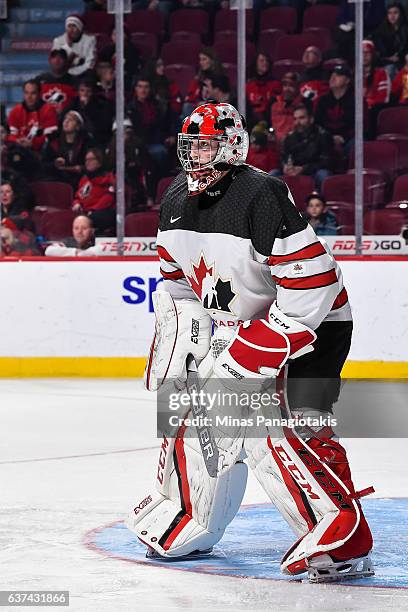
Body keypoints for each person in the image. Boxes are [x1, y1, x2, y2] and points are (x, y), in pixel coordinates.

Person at [127, 102, 374, 584]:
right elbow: (178, 286)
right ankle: (189, 513)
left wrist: (257, 351)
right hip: (248, 327)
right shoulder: (174, 199)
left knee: (276, 428)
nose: (196, 155)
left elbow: (315, 285)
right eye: (190, 145)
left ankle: (340, 528)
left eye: (207, 145)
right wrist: (178, 346)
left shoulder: (260, 195)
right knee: (195, 407)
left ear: (233, 147)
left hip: (316, 327)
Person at [278, 104, 334, 189]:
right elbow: (284, 157)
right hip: (294, 171)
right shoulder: (289, 138)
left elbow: (327, 161)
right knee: (272, 174)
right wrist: (285, 166)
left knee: (323, 174)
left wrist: (304, 169)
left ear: (311, 119)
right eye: (295, 119)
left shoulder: (323, 136)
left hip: (313, 172)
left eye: (301, 118)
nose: (297, 122)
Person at [41, 110, 94, 188]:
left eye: (71, 120)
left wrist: (82, 168)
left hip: (79, 181)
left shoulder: (86, 143)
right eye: (65, 119)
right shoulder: (53, 142)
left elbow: (93, 163)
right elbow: (43, 165)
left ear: (78, 126)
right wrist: (54, 164)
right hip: (58, 180)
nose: (66, 122)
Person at [72, 147, 115, 234]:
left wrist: (93, 210)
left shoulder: (109, 178)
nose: (88, 162)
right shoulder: (84, 179)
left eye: (91, 159)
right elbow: (78, 196)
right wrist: (76, 203)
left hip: (102, 213)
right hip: (84, 212)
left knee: (92, 219)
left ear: (99, 162)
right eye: (86, 160)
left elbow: (108, 198)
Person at [7, 80, 58, 153]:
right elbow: (10, 135)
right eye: (26, 93)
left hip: (43, 153)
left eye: (33, 93)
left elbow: (51, 136)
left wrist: (33, 143)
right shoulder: (15, 111)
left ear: (39, 94)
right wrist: (17, 141)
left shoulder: (49, 110)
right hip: (19, 151)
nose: (29, 97)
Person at [315, 64, 354, 154]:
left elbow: (359, 126)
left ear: (347, 80)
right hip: (327, 137)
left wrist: (343, 138)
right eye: (332, 74)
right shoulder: (322, 100)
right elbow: (317, 124)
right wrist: (329, 137)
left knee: (356, 145)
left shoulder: (356, 101)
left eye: (338, 75)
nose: (333, 77)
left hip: (348, 139)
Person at [66, 78, 114, 146]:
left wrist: (87, 108)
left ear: (93, 93)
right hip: (77, 139)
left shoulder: (102, 106)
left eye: (88, 91)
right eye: (82, 90)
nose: (85, 94)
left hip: (96, 140)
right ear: (78, 92)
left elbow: (102, 127)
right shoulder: (73, 104)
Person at [37, 49, 78, 116]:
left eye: (61, 57)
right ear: (49, 61)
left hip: (67, 122)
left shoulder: (74, 81)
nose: (57, 60)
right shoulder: (40, 80)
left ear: (66, 61)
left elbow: (77, 105)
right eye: (54, 57)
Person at [246, 52, 281, 129]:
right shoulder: (248, 84)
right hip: (251, 119)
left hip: (268, 118)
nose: (265, 63)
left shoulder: (276, 84)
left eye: (266, 61)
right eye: (262, 61)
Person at [372, 2, 408, 78]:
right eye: (389, 13)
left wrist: (400, 57)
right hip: (386, 63)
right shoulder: (380, 32)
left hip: (404, 62)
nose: (392, 16)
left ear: (401, 14)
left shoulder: (406, 30)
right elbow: (380, 53)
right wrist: (389, 58)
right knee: (390, 69)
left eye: (395, 13)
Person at [270, 72, 303, 146]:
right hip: (275, 144)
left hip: (297, 143)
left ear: (298, 87)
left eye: (291, 86)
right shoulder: (274, 101)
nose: (287, 89)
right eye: (285, 85)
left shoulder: (304, 103)